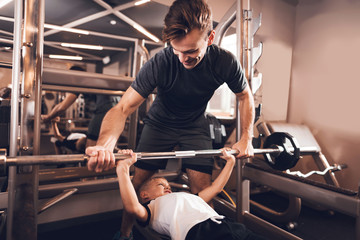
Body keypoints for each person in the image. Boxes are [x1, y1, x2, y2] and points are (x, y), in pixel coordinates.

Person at [86, 0, 255, 238]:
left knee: (203, 190)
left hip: (195, 125)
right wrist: (105, 145)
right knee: (135, 187)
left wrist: (247, 137)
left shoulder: (224, 62)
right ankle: (125, 235)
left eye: (191, 51)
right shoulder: (161, 62)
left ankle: (210, 231)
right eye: (177, 50)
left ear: (210, 38)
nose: (183, 58)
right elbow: (123, 108)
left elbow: (245, 96)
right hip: (159, 125)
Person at [116, 149, 267, 240]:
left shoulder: (191, 198)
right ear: (144, 195)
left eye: (168, 186)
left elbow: (216, 188)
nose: (168, 187)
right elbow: (132, 208)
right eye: (161, 185)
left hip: (229, 225)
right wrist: (123, 169)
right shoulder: (151, 209)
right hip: (199, 233)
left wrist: (230, 162)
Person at [42, 66, 120, 149]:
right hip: (117, 114)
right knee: (107, 149)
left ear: (74, 76)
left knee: (91, 150)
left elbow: (62, 107)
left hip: (102, 114)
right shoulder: (96, 80)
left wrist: (48, 117)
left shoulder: (81, 82)